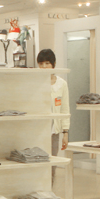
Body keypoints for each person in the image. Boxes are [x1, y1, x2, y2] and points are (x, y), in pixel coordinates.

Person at [37, 49, 70, 184]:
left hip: (54, 131)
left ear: (53, 64)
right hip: (37, 130)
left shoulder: (61, 84)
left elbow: (64, 109)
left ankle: (50, 190)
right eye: (41, 64)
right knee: (38, 162)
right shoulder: (34, 82)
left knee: (52, 163)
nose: (44, 67)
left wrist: (65, 132)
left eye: (47, 63)